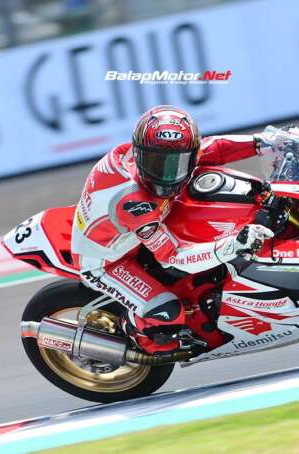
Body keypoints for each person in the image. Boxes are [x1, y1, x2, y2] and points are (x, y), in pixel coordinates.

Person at [71, 105, 274, 351]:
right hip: (107, 261)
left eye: (179, 163)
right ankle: (132, 332)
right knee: (168, 313)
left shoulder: (146, 152)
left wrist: (262, 142)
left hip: (129, 229)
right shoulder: (135, 203)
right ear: (140, 155)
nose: (168, 175)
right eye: (157, 164)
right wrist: (232, 246)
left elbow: (213, 148)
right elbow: (173, 258)